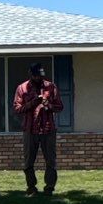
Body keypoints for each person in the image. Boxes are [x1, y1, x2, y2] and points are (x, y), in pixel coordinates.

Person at [13, 62, 63, 195]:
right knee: (28, 161)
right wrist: (31, 103)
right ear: (31, 74)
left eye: (40, 76)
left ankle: (49, 188)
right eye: (36, 76)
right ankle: (31, 187)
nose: (38, 78)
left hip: (48, 129)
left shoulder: (50, 87)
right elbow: (17, 108)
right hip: (30, 129)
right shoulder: (22, 88)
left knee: (51, 161)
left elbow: (60, 107)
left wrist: (48, 104)